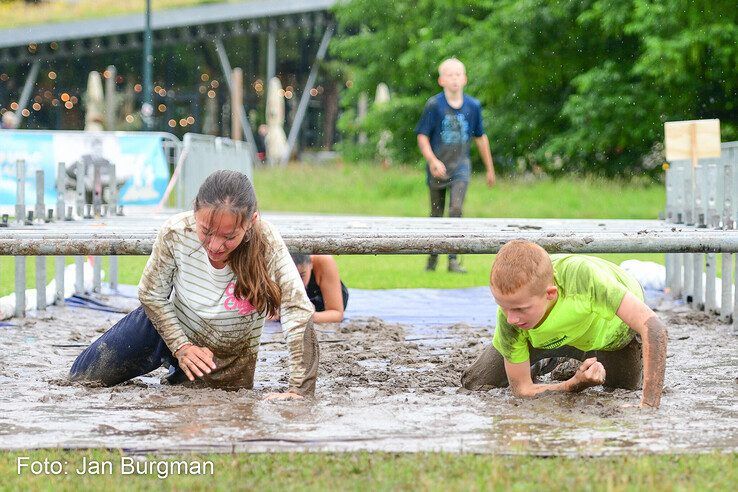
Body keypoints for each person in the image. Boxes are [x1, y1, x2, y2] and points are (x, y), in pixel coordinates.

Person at [69, 170, 318, 400]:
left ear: (251, 222)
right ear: (195, 212)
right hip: (167, 330)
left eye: (229, 237)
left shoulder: (266, 241)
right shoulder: (176, 232)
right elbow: (150, 294)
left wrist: (300, 389)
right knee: (81, 377)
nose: (214, 246)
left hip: (225, 351)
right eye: (206, 231)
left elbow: (297, 308)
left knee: (218, 400)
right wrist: (181, 346)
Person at [461, 240, 668, 408]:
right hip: (544, 338)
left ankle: (571, 360)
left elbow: (655, 328)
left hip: (611, 336)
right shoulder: (511, 317)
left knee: (623, 391)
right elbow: (522, 390)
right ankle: (551, 361)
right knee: (476, 382)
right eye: (503, 306)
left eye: (520, 309)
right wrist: (573, 384)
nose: (510, 319)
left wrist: (649, 406)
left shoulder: (584, 281)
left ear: (550, 294)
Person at [415, 57, 496, 274]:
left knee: (456, 209)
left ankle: (453, 259)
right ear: (441, 80)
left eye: (458, 74)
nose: (454, 79)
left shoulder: (473, 106)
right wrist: (432, 161)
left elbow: (480, 137)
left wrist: (490, 169)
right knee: (436, 214)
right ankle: (432, 258)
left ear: (465, 79)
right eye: (450, 75)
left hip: (461, 165)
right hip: (438, 166)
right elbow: (422, 137)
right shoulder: (434, 105)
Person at [291, 254, 349, 323]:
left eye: (301, 276)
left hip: (324, 304)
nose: (298, 283)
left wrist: (306, 317)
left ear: (311, 264)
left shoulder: (323, 260)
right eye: (291, 277)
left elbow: (337, 314)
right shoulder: (277, 265)